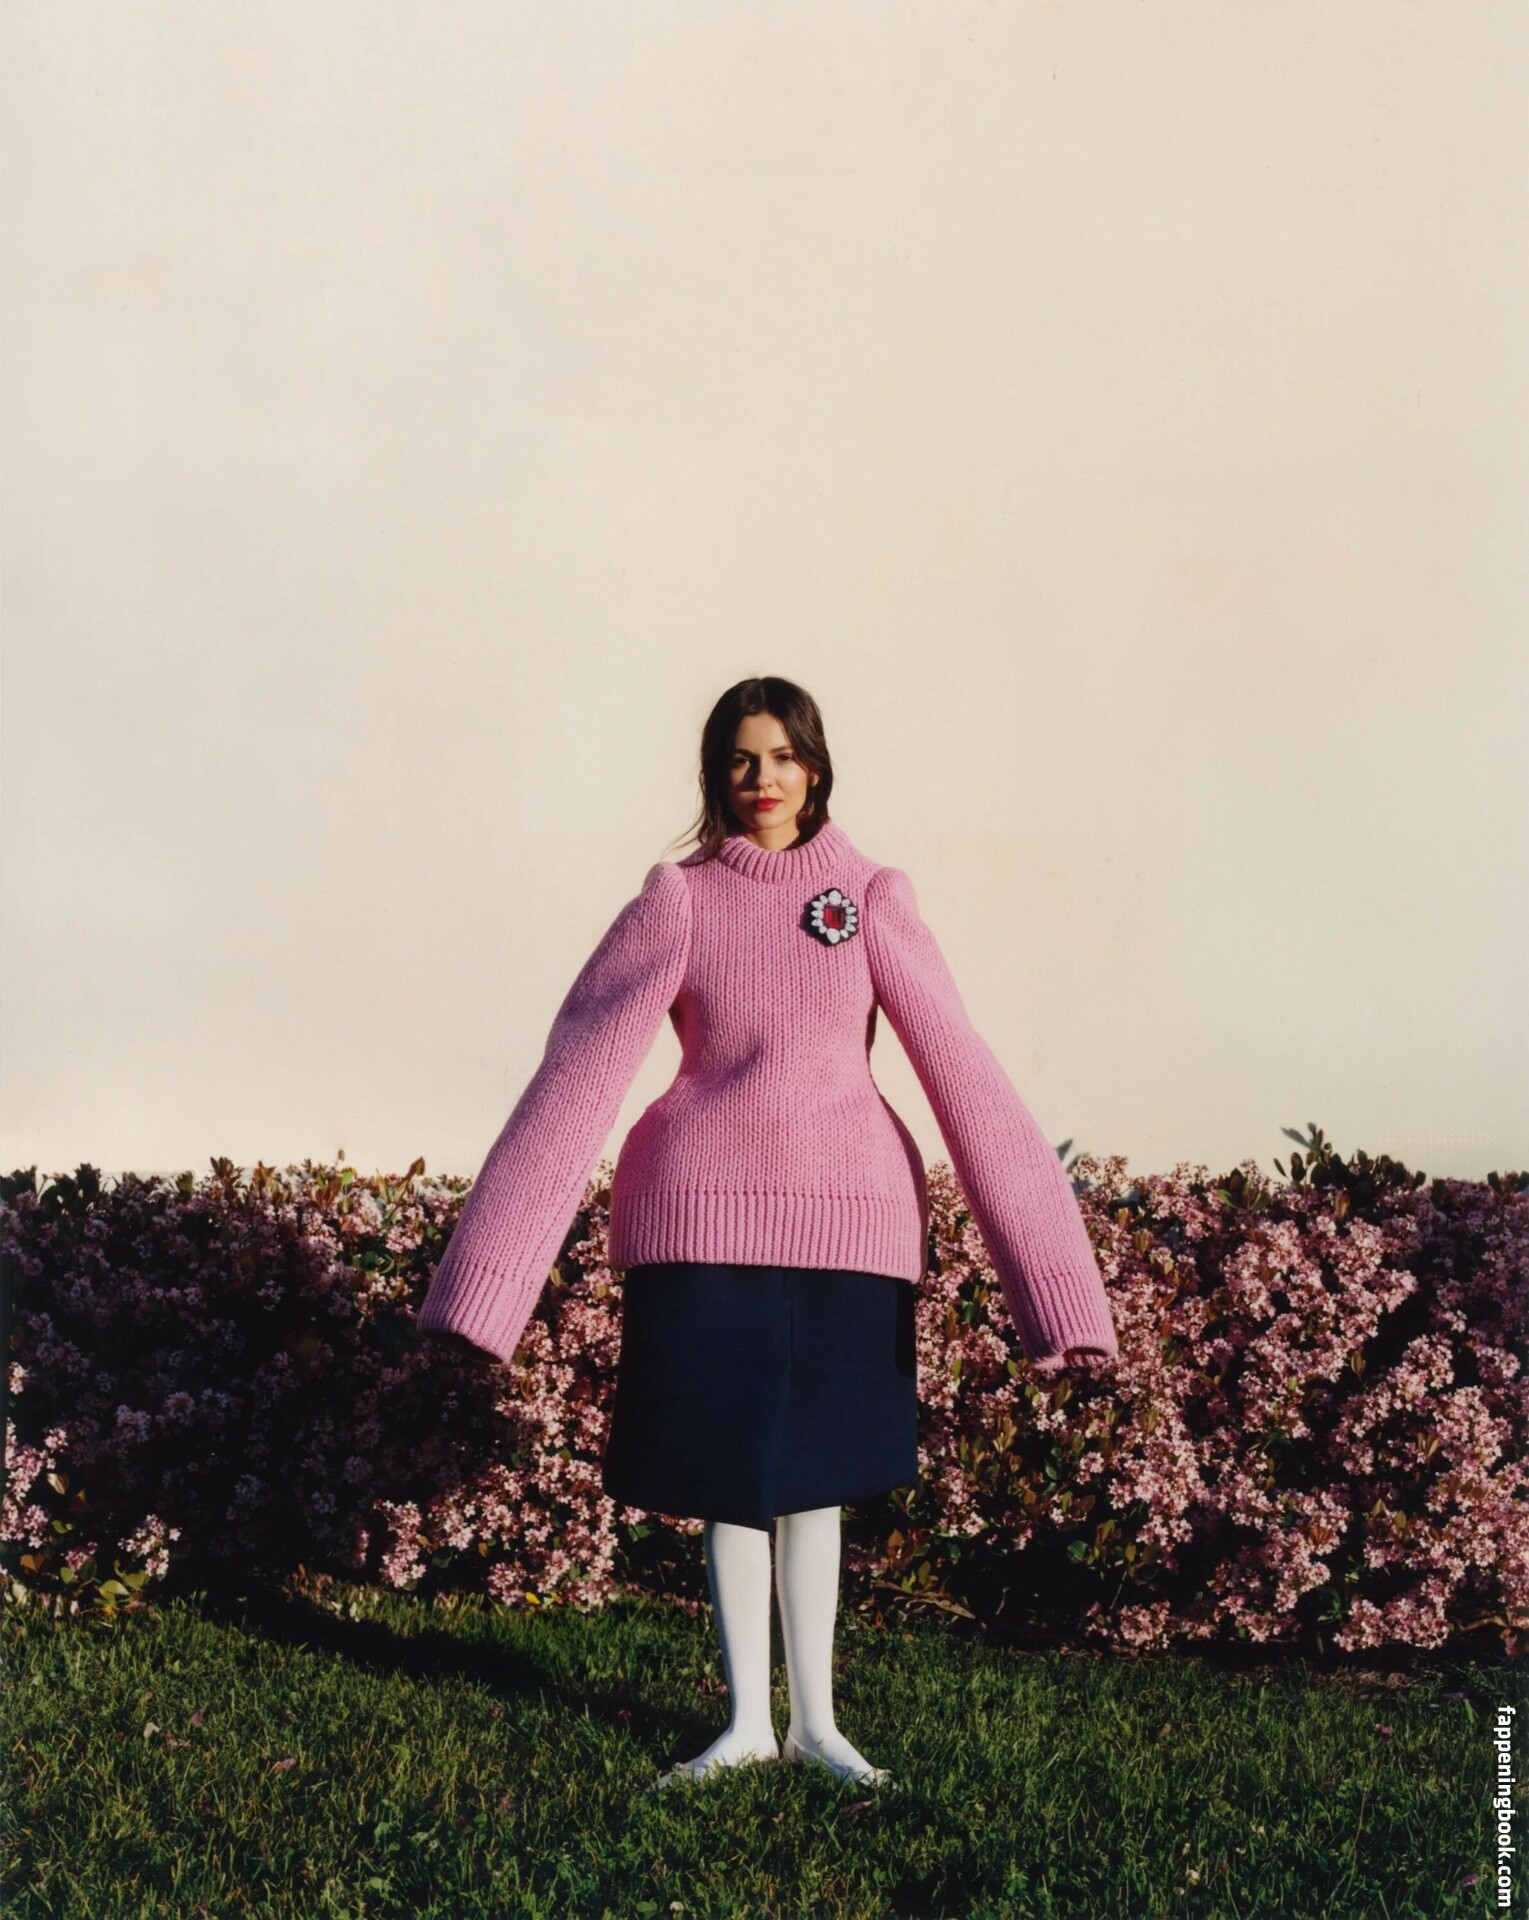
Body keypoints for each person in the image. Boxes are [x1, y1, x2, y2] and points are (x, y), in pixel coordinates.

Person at [418, 675, 1119, 1789]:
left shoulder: (871, 896)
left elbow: (966, 1078)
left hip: (851, 1228)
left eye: (783, 756)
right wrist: (483, 1290)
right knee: (728, 1478)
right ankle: (747, 1722)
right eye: (741, 759)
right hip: (700, 1226)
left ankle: (819, 1727)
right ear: (715, 771)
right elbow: (577, 1076)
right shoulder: (679, 897)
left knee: (818, 1481)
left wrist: (1056, 1295)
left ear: (816, 765)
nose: (763, 780)